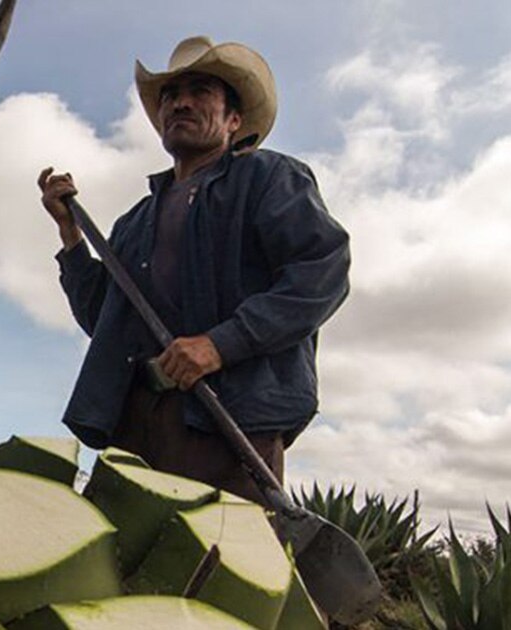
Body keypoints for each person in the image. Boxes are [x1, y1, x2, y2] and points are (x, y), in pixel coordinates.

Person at [38, 36, 350, 504]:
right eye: (170, 96)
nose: (180, 103)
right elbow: (103, 320)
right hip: (136, 423)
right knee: (121, 566)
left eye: (200, 91)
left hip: (229, 419)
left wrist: (220, 344)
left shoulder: (268, 178)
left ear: (234, 120)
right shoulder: (135, 222)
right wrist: (70, 236)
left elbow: (321, 271)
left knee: (219, 566)